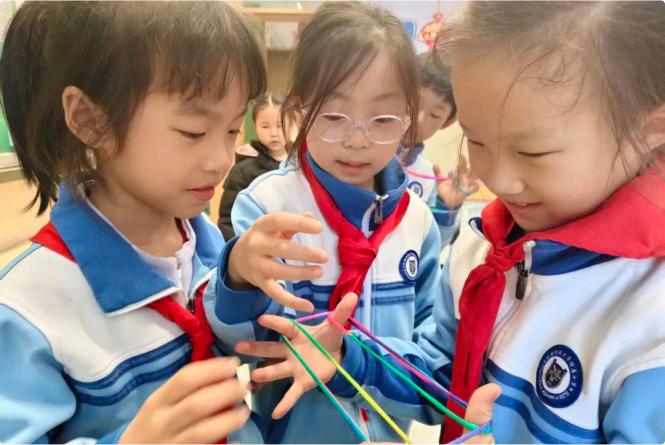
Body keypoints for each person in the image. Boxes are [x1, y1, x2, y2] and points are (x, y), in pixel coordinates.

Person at [240, 1, 665, 443]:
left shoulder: (650, 310)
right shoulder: (480, 250)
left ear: (649, 131)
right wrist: (354, 358)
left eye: (533, 152)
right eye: (476, 141)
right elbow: (441, 374)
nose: (497, 179)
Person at [218, 93, 287, 240]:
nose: (273, 133)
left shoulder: (303, 166)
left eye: (280, 125)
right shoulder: (242, 171)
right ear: (255, 126)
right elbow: (228, 220)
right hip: (255, 245)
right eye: (265, 126)